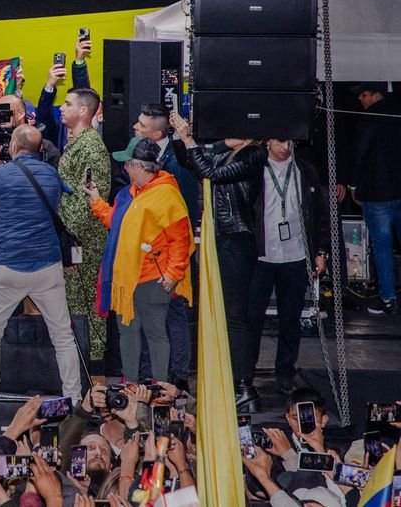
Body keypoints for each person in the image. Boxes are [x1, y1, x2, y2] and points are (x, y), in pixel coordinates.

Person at [0, 124, 83, 399]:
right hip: (47, 265)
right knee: (62, 335)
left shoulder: (0, 174)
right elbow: (64, 191)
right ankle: (74, 397)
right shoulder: (51, 174)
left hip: (10, 264)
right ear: (40, 148)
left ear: (13, 148)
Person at [171, 113, 265, 399]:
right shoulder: (229, 154)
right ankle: (234, 380)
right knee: (227, 314)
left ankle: (243, 384)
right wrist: (180, 136)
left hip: (236, 238)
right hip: (224, 237)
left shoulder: (252, 156)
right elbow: (189, 161)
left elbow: (209, 175)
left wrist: (189, 138)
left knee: (235, 316)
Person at [85, 138, 192, 383]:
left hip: (152, 280)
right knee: (128, 332)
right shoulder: (130, 194)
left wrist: (173, 274)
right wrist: (97, 203)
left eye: (128, 165)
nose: (124, 169)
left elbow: (180, 240)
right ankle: (130, 384)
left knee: (155, 333)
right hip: (127, 279)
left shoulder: (167, 195)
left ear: (141, 167)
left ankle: (160, 386)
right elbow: (120, 223)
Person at [246, 137, 330, 395]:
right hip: (260, 256)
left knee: (290, 318)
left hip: (295, 254)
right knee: (252, 319)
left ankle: (285, 371)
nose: (286, 147)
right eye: (280, 142)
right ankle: (245, 374)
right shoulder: (254, 168)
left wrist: (320, 251)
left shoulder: (305, 171)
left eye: (290, 142)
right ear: (268, 142)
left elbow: (320, 213)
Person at [57, 87, 111, 368]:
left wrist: (69, 240)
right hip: (74, 239)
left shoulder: (91, 147)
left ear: (83, 111)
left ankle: (93, 362)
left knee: (88, 303)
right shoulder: (76, 143)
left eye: (67, 104)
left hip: (84, 242)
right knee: (75, 302)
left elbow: (91, 198)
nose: (62, 108)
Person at [348, 82, 401, 314]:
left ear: (376, 94)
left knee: (382, 247)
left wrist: (352, 184)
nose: (361, 99)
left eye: (364, 94)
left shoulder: (369, 119)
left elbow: (359, 152)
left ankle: (388, 298)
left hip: (377, 192)